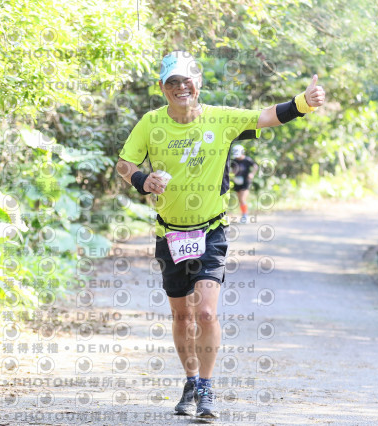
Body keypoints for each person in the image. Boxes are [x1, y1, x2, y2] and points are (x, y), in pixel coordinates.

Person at [116, 50, 325, 418]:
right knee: (182, 317)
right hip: (170, 234)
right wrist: (142, 180)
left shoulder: (221, 118)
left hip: (210, 230)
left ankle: (206, 388)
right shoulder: (150, 123)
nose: (181, 87)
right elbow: (123, 163)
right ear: (162, 87)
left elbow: (266, 116)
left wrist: (303, 103)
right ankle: (190, 380)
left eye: (186, 80)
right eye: (172, 82)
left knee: (206, 313)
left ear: (198, 83)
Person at [230, 144, 258, 223]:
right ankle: (243, 214)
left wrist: (252, 174)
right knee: (240, 200)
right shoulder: (234, 161)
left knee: (242, 199)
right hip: (237, 181)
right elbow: (232, 170)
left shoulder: (247, 160)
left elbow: (255, 166)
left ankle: (245, 216)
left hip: (246, 182)